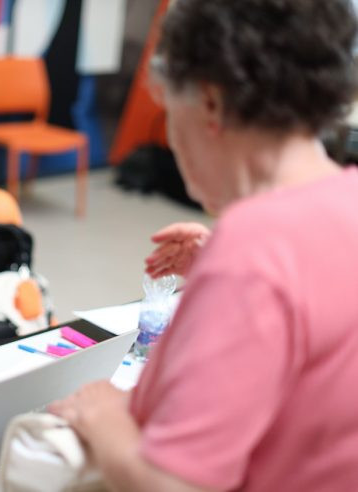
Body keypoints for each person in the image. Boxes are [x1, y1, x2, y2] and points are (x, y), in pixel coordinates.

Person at [50, 0, 358, 490]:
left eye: (170, 110)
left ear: (210, 104)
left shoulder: (253, 251)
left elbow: (174, 484)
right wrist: (225, 272)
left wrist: (101, 415)